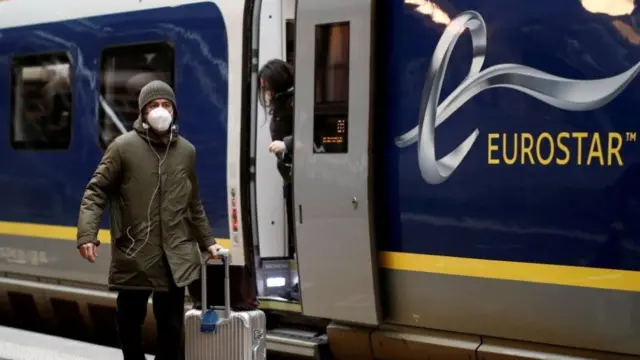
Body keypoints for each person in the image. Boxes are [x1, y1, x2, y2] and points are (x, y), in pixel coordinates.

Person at [76, 80, 222, 360]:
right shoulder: (122, 148)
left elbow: (193, 204)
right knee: (130, 321)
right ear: (142, 112)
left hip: (176, 256)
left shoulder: (186, 151)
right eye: (153, 105)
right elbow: (96, 191)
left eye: (166, 105)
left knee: (171, 326)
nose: (160, 110)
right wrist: (87, 234)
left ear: (175, 111)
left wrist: (208, 242)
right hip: (136, 252)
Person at [257, 59, 299, 301]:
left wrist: (288, 144)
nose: (265, 90)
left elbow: (315, 130)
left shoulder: (296, 101)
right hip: (290, 176)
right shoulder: (282, 102)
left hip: (298, 177)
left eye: (267, 84)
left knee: (300, 234)